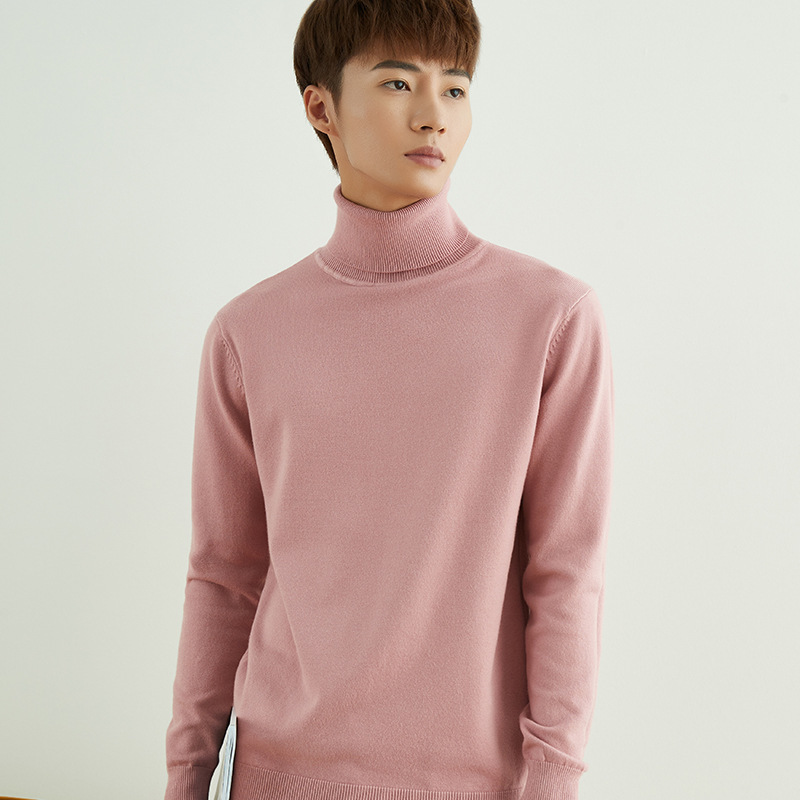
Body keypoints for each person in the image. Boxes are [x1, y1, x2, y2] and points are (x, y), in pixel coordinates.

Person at [164, 1, 614, 799]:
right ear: (321, 107)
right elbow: (224, 577)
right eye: (400, 82)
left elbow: (566, 574)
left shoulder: (550, 319)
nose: (434, 115)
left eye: (456, 88)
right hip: (277, 774)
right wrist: (186, 777)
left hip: (472, 782)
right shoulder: (248, 332)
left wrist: (553, 781)